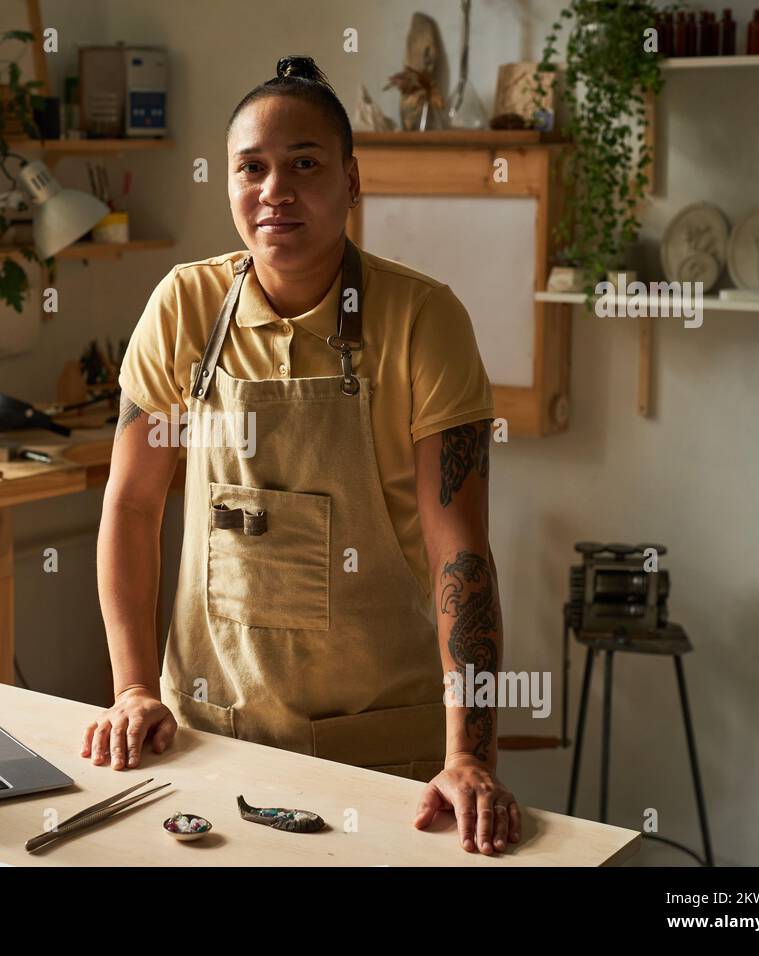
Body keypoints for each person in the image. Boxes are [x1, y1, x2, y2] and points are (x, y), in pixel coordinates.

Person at [82, 55, 519, 855]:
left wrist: (468, 756)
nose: (274, 191)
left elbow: (459, 551)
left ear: (352, 182)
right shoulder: (184, 307)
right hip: (208, 735)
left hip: (379, 752)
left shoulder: (424, 320)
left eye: (304, 165)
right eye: (252, 168)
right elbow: (132, 507)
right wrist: (135, 690)